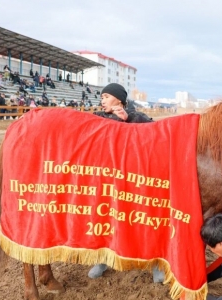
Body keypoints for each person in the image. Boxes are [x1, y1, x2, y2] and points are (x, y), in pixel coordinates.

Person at [88, 83, 153, 279]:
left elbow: (157, 135)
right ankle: (103, 260)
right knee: (107, 221)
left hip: (134, 181)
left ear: (118, 99)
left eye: (106, 96)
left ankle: (153, 262)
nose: (103, 100)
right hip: (108, 182)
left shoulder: (139, 117)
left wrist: (129, 120)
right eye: (102, 97)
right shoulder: (98, 118)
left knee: (141, 220)